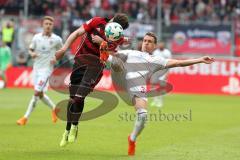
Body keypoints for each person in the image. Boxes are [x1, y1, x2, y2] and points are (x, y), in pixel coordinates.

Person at [107, 32, 214, 156]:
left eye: (150, 42)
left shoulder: (156, 60)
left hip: (137, 87)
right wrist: (104, 45)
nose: (146, 43)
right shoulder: (131, 53)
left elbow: (178, 63)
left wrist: (200, 60)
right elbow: (113, 54)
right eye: (145, 40)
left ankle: (132, 138)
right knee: (110, 59)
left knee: (143, 116)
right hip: (121, 80)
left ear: (154, 46)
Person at [51, 13, 129, 147]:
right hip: (79, 62)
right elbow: (77, 33)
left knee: (78, 98)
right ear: (112, 20)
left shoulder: (117, 36)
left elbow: (111, 55)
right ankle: (67, 129)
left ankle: (74, 126)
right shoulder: (96, 21)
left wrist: (103, 42)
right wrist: (64, 49)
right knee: (72, 99)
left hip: (96, 66)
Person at [16, 16, 63, 125]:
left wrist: (56, 58)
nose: (48, 26)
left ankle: (25, 118)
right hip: (36, 69)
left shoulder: (57, 39)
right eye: (46, 24)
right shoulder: (36, 37)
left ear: (52, 26)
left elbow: (63, 51)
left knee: (36, 93)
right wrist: (32, 54)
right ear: (42, 25)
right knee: (40, 94)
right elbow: (31, 49)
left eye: (50, 24)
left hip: (47, 70)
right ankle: (55, 109)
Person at [151, 41, 172, 108]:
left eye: (161, 44)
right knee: (153, 86)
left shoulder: (167, 52)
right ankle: (155, 100)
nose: (160, 45)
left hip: (164, 71)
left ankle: (160, 102)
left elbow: (170, 62)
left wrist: (167, 73)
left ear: (164, 45)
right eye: (159, 44)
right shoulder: (155, 52)